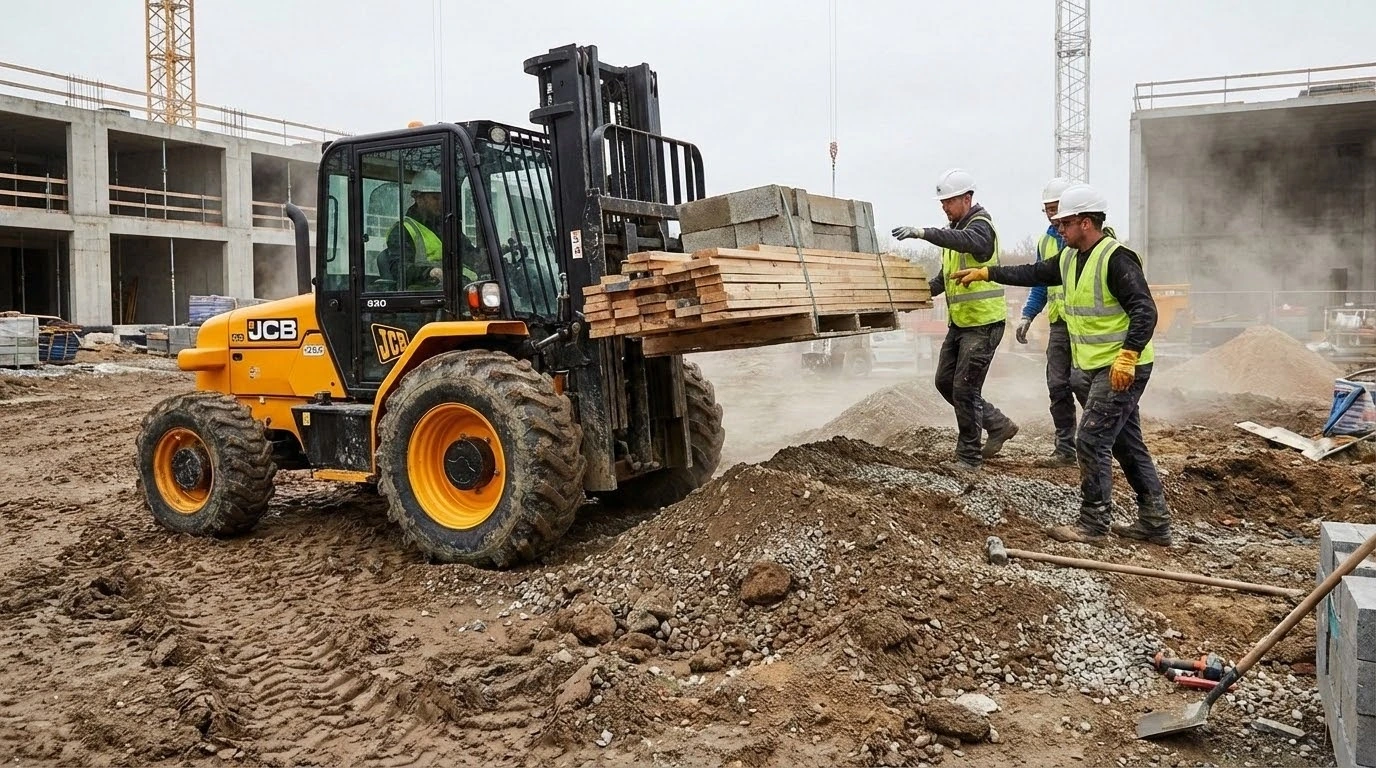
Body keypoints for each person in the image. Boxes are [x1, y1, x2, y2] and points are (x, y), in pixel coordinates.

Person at [951, 183, 1172, 547]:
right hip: (1097, 366)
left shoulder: (1117, 258)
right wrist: (989, 273)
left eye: (1065, 223)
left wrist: (1129, 354)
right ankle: (1155, 522)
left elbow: (1145, 310)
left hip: (1121, 368)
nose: (1058, 230)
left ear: (1086, 223)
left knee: (1090, 440)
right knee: (1127, 445)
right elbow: (1033, 273)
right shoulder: (1070, 258)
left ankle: (1093, 525)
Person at [892, 168, 1019, 472]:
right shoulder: (958, 232)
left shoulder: (980, 227)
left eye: (948, 201)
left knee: (964, 388)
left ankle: (969, 458)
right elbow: (943, 280)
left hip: (984, 324)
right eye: (942, 202)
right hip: (962, 325)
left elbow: (966, 241)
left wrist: (923, 233)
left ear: (967, 198)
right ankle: (998, 424)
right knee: (944, 382)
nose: (944, 207)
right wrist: (912, 297)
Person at [1015, 177, 1080, 466]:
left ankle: (1102, 446)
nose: (1052, 217)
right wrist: (1028, 314)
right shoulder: (1045, 241)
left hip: (1090, 327)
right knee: (1057, 384)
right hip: (1060, 325)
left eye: (1056, 209)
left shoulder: (1090, 237)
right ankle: (1066, 449)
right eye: (1047, 211)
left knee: (1088, 385)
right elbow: (1040, 283)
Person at [382, 169, 484, 290]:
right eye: (435, 198)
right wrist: (429, 272)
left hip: (457, 288)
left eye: (442, 198)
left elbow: (467, 253)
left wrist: (483, 257)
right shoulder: (403, 230)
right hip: (424, 297)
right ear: (418, 198)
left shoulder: (447, 225)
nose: (440, 202)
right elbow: (399, 269)